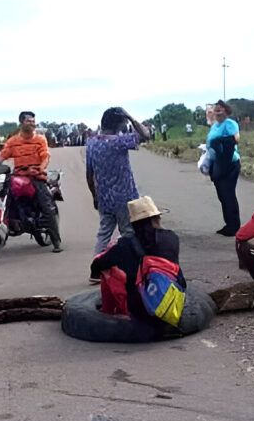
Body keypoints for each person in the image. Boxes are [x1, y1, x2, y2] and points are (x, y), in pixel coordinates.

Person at [90, 196, 185, 340]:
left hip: (140, 310)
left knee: (108, 269)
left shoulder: (125, 245)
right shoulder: (172, 238)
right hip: (169, 300)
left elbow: (98, 264)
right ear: (157, 217)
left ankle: (107, 313)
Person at [86, 107, 152, 265]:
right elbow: (146, 135)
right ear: (120, 124)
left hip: (104, 198)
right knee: (129, 233)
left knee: (104, 233)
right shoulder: (120, 141)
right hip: (125, 198)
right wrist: (130, 116)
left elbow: (89, 174)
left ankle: (97, 268)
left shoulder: (91, 143)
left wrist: (95, 196)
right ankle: (134, 266)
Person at [0, 111, 62, 252]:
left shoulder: (40, 139)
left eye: (33, 121)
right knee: (5, 194)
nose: (32, 124)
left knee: (47, 207)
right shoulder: (13, 141)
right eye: (29, 121)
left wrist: (40, 169)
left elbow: (45, 156)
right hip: (18, 176)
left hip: (36, 176)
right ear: (22, 123)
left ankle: (56, 241)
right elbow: (2, 156)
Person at [207, 99, 241, 236]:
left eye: (221, 108)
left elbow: (236, 138)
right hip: (218, 163)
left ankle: (234, 226)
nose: (218, 110)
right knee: (222, 195)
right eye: (216, 109)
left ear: (226, 111)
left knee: (228, 194)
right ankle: (228, 223)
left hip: (229, 163)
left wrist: (219, 142)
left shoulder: (230, 124)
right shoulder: (215, 126)